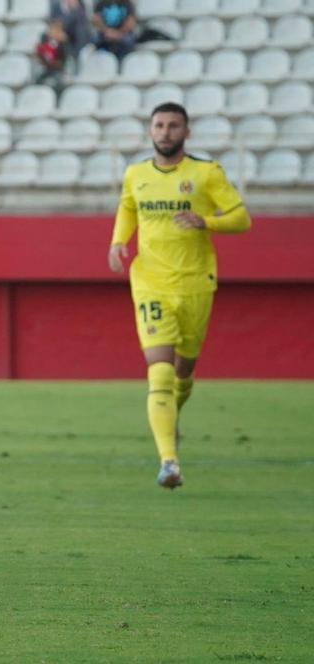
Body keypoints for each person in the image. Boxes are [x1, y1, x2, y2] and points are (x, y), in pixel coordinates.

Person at [107, 102, 251, 490]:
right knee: (160, 369)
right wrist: (119, 241)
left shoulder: (206, 173)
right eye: (159, 125)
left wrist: (207, 221)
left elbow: (242, 218)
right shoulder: (136, 174)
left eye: (173, 126)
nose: (165, 132)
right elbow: (127, 207)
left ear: (186, 133)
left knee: (183, 373)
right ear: (150, 131)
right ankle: (169, 462)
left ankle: (172, 415)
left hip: (195, 284)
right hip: (151, 282)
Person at [35, 21, 68, 92]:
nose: (53, 33)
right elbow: (42, 57)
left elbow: (63, 60)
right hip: (48, 69)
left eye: (57, 31)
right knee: (38, 80)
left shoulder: (63, 45)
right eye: (52, 30)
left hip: (60, 70)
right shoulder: (46, 43)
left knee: (58, 83)